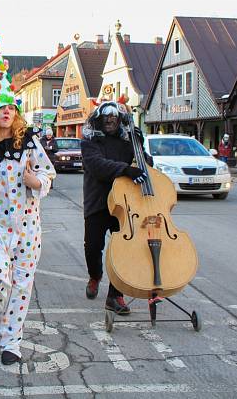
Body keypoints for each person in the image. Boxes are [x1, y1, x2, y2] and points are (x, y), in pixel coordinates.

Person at [0, 28, 56, 366]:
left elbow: (49, 175)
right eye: (0, 106)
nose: (6, 111)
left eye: (10, 107)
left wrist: (35, 179)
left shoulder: (29, 144)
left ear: (15, 112)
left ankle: (11, 340)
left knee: (21, 285)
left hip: (28, 226)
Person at [81, 100, 151, 317]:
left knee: (124, 249)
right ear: (98, 120)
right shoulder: (89, 142)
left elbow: (147, 167)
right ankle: (95, 276)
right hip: (98, 202)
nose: (110, 121)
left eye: (114, 118)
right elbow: (97, 166)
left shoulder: (127, 141)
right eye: (106, 118)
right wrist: (125, 170)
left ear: (120, 121)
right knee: (93, 247)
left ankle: (115, 295)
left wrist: (138, 146)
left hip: (126, 204)